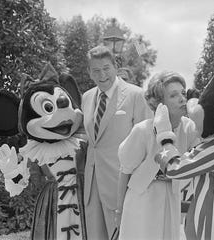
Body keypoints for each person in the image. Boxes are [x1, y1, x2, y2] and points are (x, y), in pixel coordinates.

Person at [117, 71, 200, 240]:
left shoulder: (189, 127)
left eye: (183, 93)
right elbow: (125, 170)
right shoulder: (142, 130)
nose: (182, 99)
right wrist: (119, 211)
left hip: (171, 196)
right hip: (142, 199)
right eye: (173, 95)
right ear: (159, 103)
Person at [81, 45, 153, 239]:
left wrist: (139, 187)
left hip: (122, 186)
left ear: (115, 66)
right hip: (92, 184)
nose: (102, 75)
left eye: (106, 68)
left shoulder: (136, 95)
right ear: (89, 72)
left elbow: (148, 144)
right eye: (96, 70)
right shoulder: (86, 98)